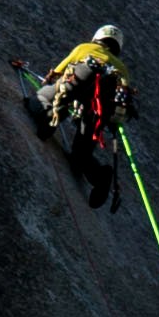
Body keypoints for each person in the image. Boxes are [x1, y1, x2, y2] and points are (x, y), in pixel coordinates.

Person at [37, 23, 134, 209]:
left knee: (42, 97)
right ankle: (101, 176)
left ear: (98, 38)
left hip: (79, 82)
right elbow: (121, 102)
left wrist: (48, 84)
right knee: (80, 156)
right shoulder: (121, 69)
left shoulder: (85, 48)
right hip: (100, 107)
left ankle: (52, 115)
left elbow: (57, 73)